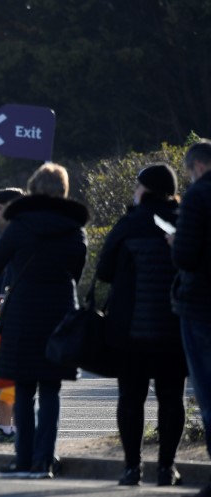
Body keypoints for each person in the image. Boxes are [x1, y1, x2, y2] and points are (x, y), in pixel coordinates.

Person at [0, 163, 89, 479]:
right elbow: (77, 271)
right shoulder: (74, 227)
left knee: (24, 388)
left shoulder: (21, 224)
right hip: (59, 312)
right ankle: (44, 459)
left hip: (24, 312)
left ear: (33, 189)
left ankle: (23, 458)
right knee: (51, 390)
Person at [96, 164, 187, 487]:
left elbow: (104, 272)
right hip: (174, 326)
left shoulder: (130, 222)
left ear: (145, 189)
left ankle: (132, 468)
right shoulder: (184, 220)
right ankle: (167, 467)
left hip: (129, 329)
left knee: (131, 398)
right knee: (171, 396)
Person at [171, 140, 211, 497]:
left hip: (200, 303)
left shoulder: (198, 197)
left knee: (207, 388)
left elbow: (184, 254)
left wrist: (174, 242)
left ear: (197, 166)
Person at [0, 187, 24, 444]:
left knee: (13, 376)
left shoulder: (18, 238)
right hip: (3, 312)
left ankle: (15, 429)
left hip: (15, 315)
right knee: (4, 375)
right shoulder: (7, 237)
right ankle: (6, 427)